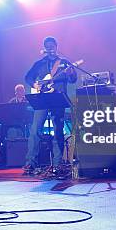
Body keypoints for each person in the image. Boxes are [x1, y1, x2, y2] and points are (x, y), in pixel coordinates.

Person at [23, 37, 77, 178]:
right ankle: (30, 163)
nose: (50, 48)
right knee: (35, 130)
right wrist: (35, 85)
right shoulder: (39, 63)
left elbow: (73, 79)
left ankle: (58, 163)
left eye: (52, 45)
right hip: (41, 99)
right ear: (44, 48)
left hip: (57, 99)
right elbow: (28, 77)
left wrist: (71, 73)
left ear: (56, 46)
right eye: (47, 46)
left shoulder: (64, 63)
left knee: (58, 130)